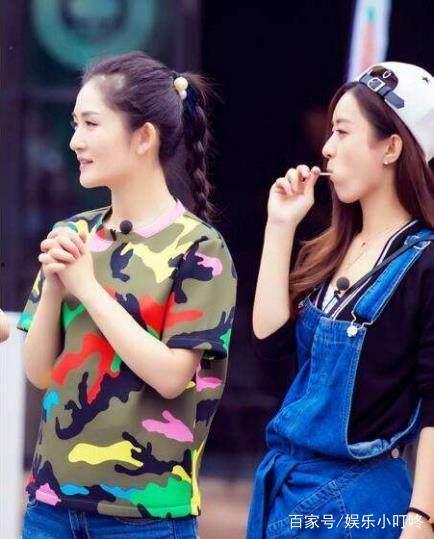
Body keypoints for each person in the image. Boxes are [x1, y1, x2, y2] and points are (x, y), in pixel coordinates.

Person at [18, 51, 237, 538]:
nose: (75, 140)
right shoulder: (73, 233)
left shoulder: (200, 248)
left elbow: (171, 377)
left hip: (146, 518)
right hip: (50, 507)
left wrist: (87, 289)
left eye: (91, 123)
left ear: (143, 137)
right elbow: (39, 373)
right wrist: (55, 289)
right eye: (75, 124)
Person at [248, 62, 434, 538]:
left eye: (343, 131)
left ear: (391, 147)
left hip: (361, 505)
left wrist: (421, 517)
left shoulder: (426, 264)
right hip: (288, 492)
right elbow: (270, 346)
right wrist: (279, 226)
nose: (327, 147)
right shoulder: (332, 247)